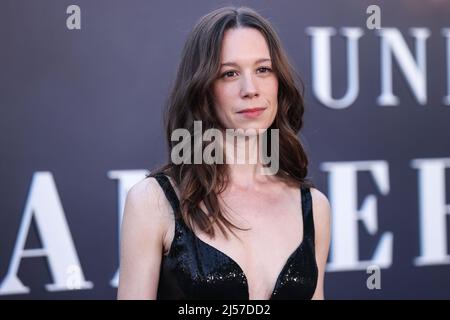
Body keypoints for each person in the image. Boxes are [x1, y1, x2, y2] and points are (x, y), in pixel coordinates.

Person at [117, 6, 331, 300]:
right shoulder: (153, 202)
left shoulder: (313, 207)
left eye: (263, 70)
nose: (250, 89)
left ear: (278, 82)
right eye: (229, 74)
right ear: (203, 89)